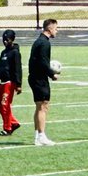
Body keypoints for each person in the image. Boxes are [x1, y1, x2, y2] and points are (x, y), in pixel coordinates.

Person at [28, 18, 59, 146]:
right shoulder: (44, 43)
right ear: (50, 28)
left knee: (39, 106)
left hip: (35, 77)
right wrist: (52, 74)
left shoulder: (39, 41)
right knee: (43, 106)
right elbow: (43, 62)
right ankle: (41, 136)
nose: (57, 31)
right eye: (56, 28)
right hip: (39, 78)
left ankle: (37, 136)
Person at [0, 29, 22, 136]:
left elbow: (18, 69)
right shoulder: (3, 53)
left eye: (7, 40)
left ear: (12, 39)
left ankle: (7, 128)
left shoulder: (15, 53)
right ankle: (14, 122)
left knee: (5, 104)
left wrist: (18, 84)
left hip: (9, 83)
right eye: (4, 40)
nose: (5, 42)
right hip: (1, 83)